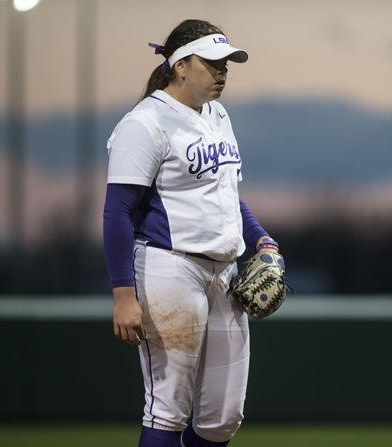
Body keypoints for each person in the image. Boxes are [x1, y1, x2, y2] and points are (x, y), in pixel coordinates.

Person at [102, 19, 280, 447]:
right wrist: (123, 295)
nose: (222, 72)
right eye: (212, 62)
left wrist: (261, 239)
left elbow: (228, 195)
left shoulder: (218, 116)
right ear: (180, 65)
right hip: (169, 268)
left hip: (225, 273)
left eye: (227, 64)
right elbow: (117, 212)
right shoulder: (144, 123)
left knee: (223, 416)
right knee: (168, 409)